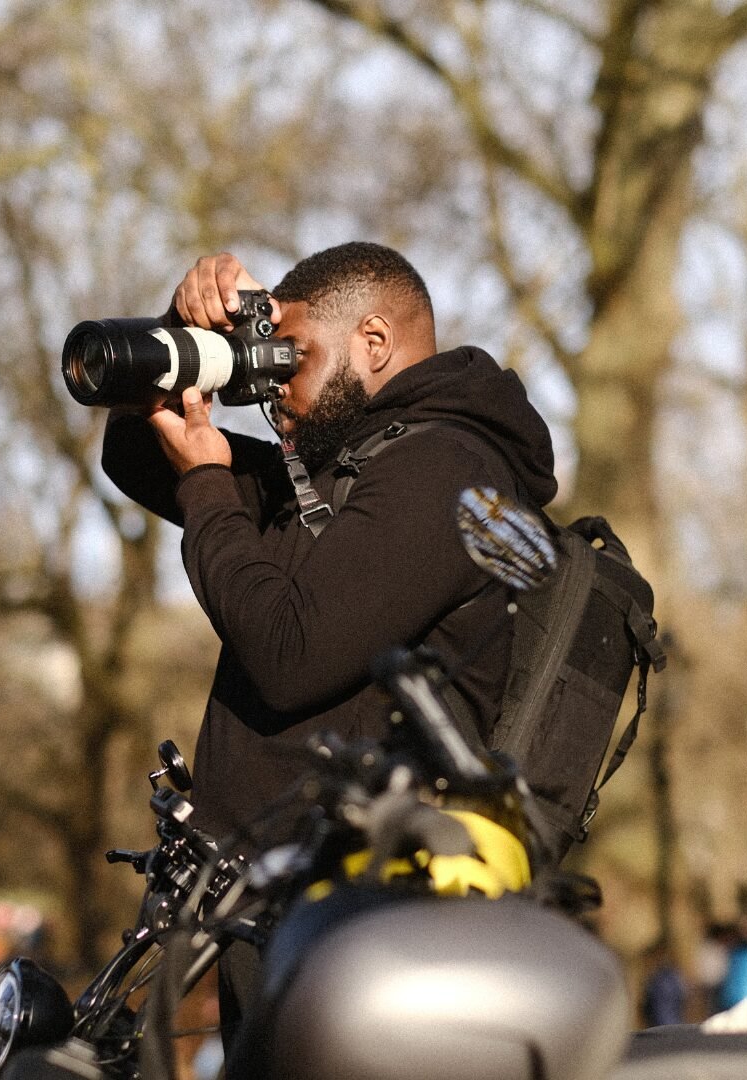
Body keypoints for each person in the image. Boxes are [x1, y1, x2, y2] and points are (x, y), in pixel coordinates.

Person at [101, 241, 558, 1038]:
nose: (279, 390)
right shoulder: (349, 473)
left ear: (374, 343)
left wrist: (209, 483)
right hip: (279, 908)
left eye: (296, 358)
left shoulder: (449, 473)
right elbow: (137, 456)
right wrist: (184, 327)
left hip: (359, 926)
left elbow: (289, 655)